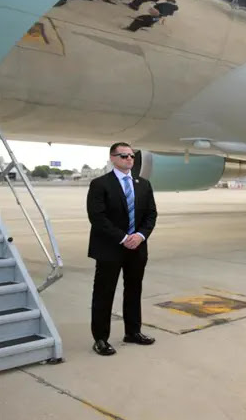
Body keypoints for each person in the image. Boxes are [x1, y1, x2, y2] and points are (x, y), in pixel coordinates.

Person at [87, 142, 157, 356]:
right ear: (113, 158)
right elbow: (97, 217)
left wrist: (140, 236)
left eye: (131, 156)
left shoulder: (143, 184)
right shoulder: (100, 184)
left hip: (137, 247)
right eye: (124, 156)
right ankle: (100, 338)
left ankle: (133, 332)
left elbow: (151, 215)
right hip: (110, 248)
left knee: (134, 291)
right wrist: (124, 237)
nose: (129, 159)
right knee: (104, 293)